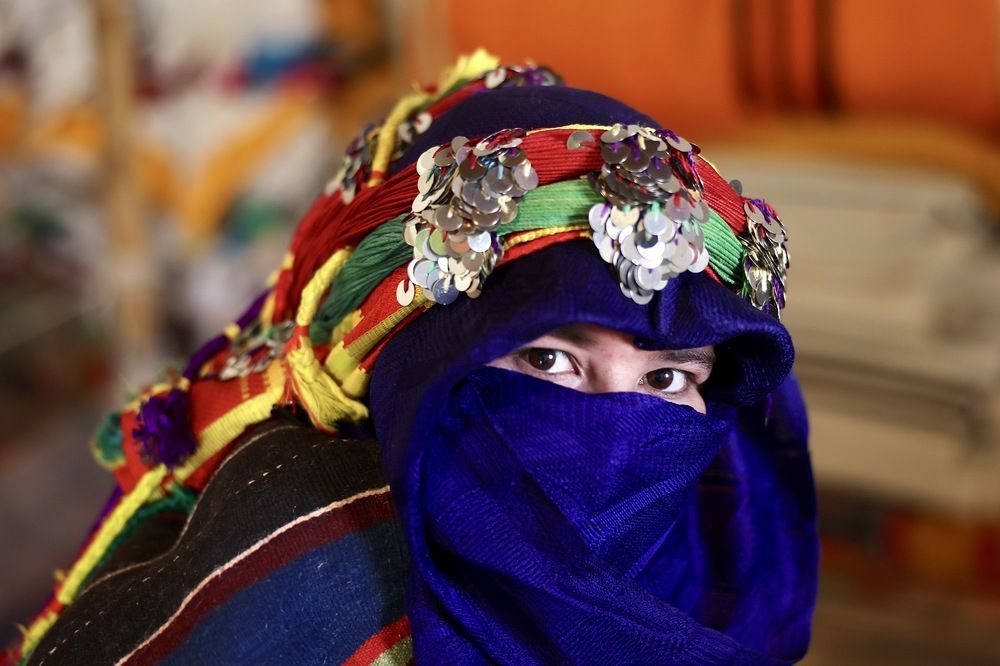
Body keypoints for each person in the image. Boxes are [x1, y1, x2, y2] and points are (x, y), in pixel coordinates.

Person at [10, 53, 816, 665]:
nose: (610, 437)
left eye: (667, 379)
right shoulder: (310, 557)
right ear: (418, 356)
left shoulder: (724, 542)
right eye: (547, 361)